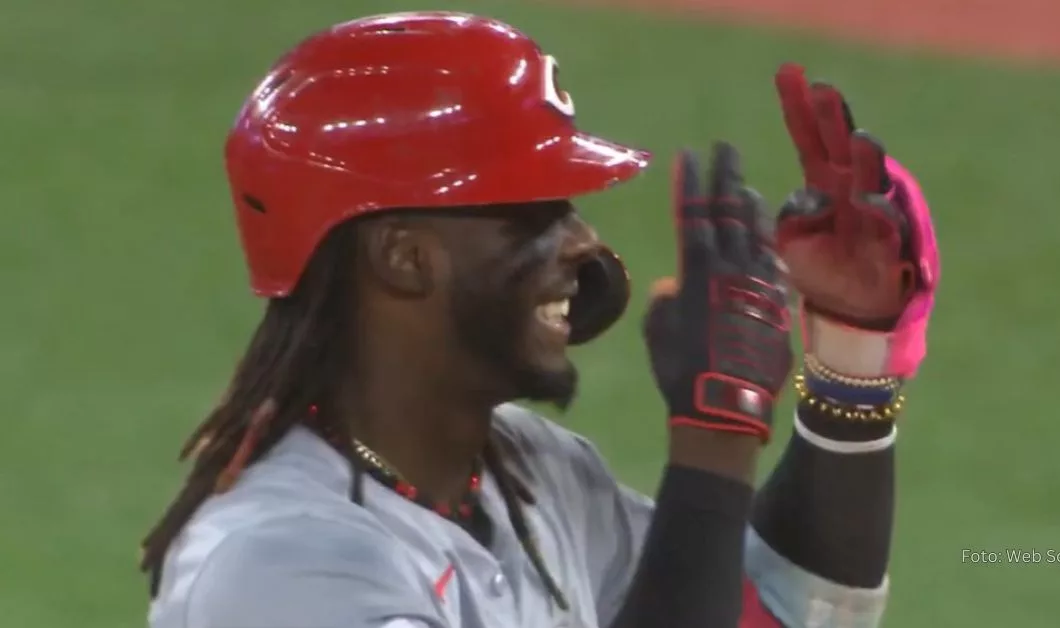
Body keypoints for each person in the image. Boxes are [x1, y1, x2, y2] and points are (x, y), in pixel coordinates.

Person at [139, 11, 940, 628]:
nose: (583, 242)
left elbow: (769, 613)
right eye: (531, 212)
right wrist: (717, 435)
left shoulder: (530, 473)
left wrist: (851, 355)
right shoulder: (284, 568)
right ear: (403, 257)